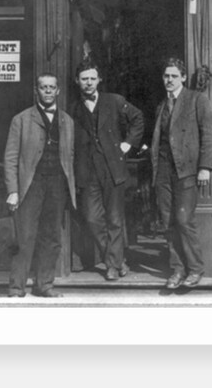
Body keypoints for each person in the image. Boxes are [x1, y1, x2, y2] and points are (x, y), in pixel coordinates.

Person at [70, 59, 144, 281]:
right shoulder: (72, 109)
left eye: (93, 78)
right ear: (77, 81)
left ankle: (111, 265)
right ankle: (117, 260)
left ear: (99, 80)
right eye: (84, 79)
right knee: (92, 218)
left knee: (114, 218)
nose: (89, 83)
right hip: (87, 171)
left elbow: (138, 119)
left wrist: (127, 144)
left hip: (113, 168)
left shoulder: (114, 101)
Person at [3, 73, 75, 298]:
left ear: (58, 91)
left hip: (57, 184)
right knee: (25, 236)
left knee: (51, 237)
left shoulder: (67, 121)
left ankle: (45, 285)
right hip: (30, 185)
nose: (47, 91)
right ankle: (16, 287)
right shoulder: (21, 120)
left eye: (51, 87)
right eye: (43, 87)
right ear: (37, 90)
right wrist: (13, 191)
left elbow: (70, 156)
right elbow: (11, 157)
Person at [150, 58, 212, 289]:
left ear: (182, 77)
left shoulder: (197, 100)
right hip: (164, 171)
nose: (169, 80)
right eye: (166, 76)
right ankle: (177, 269)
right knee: (168, 222)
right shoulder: (161, 105)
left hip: (187, 171)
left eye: (173, 76)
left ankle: (196, 268)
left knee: (183, 219)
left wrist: (205, 168)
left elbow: (209, 135)